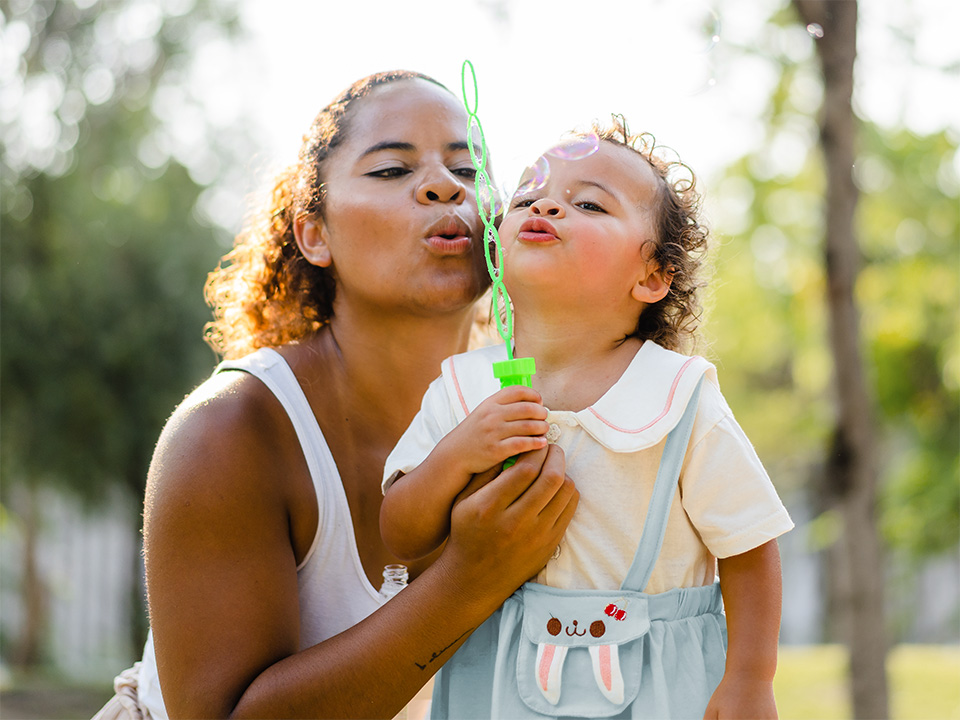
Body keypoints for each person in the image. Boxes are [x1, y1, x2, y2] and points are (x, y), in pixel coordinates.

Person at [92, 70, 579, 720]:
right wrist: (470, 579)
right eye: (390, 171)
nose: (444, 185)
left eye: (466, 167)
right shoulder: (230, 431)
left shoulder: (546, 413)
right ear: (314, 234)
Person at [380, 119, 794, 719]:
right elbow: (401, 534)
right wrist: (457, 454)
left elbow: (749, 544)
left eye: (589, 204)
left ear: (652, 276)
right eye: (525, 198)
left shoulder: (679, 395)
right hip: (492, 682)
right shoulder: (461, 388)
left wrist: (752, 678)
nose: (544, 204)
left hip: (659, 685)